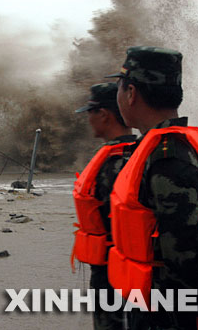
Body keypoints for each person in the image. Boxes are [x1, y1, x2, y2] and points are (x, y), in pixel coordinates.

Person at [105, 46, 198, 330]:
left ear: (131, 93)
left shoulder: (166, 157)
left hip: (168, 314)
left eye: (119, 88)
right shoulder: (187, 146)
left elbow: (184, 250)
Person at [72, 82, 136, 329]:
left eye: (91, 112)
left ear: (104, 114)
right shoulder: (141, 154)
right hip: (133, 271)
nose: (88, 118)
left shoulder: (113, 163)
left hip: (113, 271)